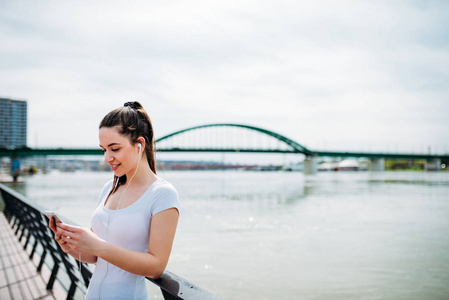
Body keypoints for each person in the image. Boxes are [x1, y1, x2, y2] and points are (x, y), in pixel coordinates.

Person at [49, 101, 179, 300]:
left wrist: (97, 245)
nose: (106, 158)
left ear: (140, 145)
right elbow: (94, 257)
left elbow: (156, 267)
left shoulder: (162, 193)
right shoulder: (108, 189)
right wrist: (69, 246)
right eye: (103, 150)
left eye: (114, 148)